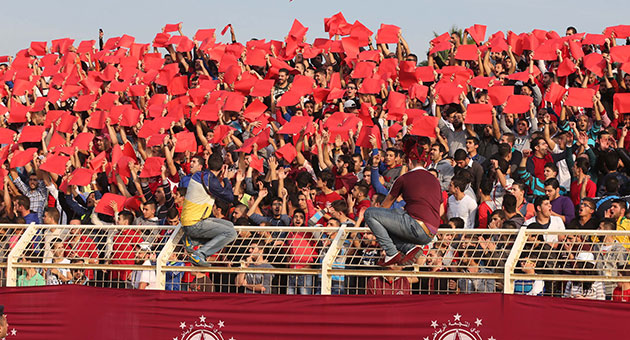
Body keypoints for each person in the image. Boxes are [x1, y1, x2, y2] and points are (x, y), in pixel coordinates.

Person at [364, 136, 442, 267]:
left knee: (370, 214)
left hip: (416, 226)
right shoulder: (435, 180)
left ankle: (391, 252)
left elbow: (385, 206)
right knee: (387, 220)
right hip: (432, 232)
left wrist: (374, 226)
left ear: (409, 162)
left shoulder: (404, 178)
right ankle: (409, 248)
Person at [181, 154, 237, 266]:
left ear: (207, 164)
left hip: (191, 220)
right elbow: (230, 197)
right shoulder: (210, 181)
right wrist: (226, 179)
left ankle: (192, 240)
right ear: (222, 168)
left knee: (229, 225)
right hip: (194, 224)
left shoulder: (199, 175)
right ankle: (200, 254)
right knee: (231, 233)